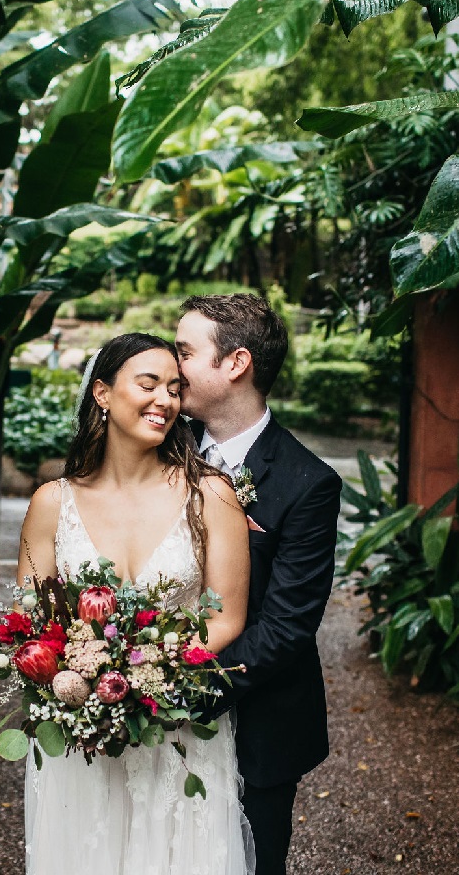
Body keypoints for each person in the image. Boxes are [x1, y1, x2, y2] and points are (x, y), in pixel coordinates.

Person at [16, 332, 256, 875]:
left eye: (175, 388)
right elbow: (31, 622)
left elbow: (228, 616)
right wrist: (80, 682)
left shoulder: (210, 494)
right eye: (148, 385)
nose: (165, 401)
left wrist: (142, 677)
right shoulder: (51, 504)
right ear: (102, 393)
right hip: (83, 733)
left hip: (177, 728)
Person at [176, 294, 342, 875]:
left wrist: (180, 693)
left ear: (236, 363)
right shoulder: (155, 447)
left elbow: (287, 626)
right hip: (145, 713)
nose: (173, 368)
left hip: (258, 722)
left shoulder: (307, 483)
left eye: (185, 352)